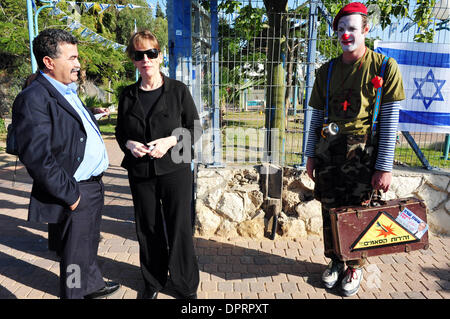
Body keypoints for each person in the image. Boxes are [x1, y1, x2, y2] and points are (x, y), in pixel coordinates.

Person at [304, 2, 405, 297]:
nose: (345, 34)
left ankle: (355, 266)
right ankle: (336, 261)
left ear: (365, 30)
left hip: (364, 155)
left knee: (358, 212)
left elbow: (389, 120)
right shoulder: (326, 71)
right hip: (329, 151)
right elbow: (316, 119)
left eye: (352, 28)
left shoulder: (385, 67)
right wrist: (310, 155)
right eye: (340, 29)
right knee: (330, 210)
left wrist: (384, 166)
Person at [11, 28, 119, 299]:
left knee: (87, 245)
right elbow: (37, 156)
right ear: (49, 62)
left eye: (77, 57)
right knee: (74, 259)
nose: (78, 64)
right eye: (71, 58)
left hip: (91, 186)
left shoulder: (65, 90)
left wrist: (90, 116)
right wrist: (72, 197)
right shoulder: (34, 97)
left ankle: (92, 285)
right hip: (74, 189)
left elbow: (66, 127)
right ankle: (75, 294)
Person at [115, 30, 202, 299]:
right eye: (139, 55)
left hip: (175, 168)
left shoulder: (177, 90)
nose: (146, 60)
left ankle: (185, 284)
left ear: (160, 56)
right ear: (133, 59)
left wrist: (170, 141)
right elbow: (120, 131)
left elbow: (195, 128)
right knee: (148, 226)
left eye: (151, 53)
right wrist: (129, 144)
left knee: (179, 227)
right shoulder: (127, 95)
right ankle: (153, 281)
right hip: (141, 171)